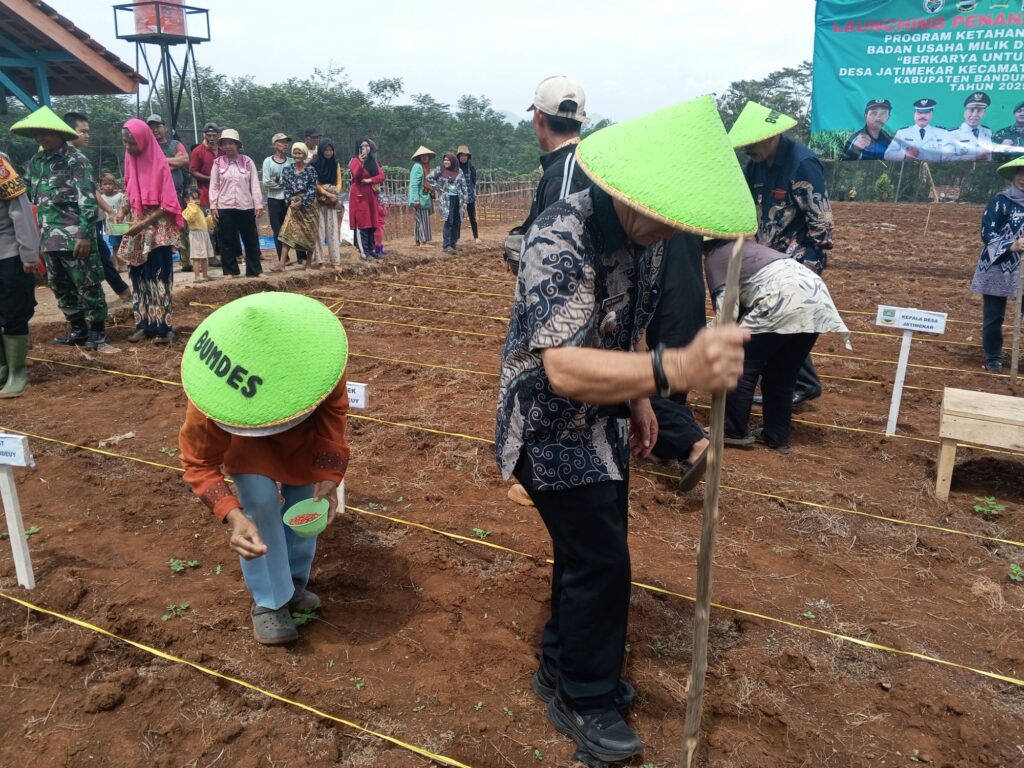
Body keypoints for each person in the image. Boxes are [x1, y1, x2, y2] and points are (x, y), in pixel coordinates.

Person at [496, 95, 753, 763]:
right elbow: (562, 371)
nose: (669, 230)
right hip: (547, 426)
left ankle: (560, 661)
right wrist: (671, 370)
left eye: (679, 222)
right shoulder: (559, 234)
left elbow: (625, 324)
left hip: (603, 421)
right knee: (602, 560)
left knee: (590, 552)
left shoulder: (646, 242)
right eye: (663, 216)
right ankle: (583, 696)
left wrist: (640, 397)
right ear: (627, 191)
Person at [179, 292, 351, 645]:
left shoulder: (319, 363)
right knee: (260, 505)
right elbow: (198, 462)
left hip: (303, 441)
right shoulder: (213, 402)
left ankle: (294, 583)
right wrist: (232, 515)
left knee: (306, 503)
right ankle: (270, 601)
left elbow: (333, 415)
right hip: (247, 445)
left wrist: (328, 475)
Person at [505, 75, 594, 506]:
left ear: (539, 118)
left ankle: (545, 474)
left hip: (565, 303)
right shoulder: (584, 164)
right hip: (585, 301)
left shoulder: (566, 172)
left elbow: (557, 244)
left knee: (551, 377)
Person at [729, 100, 834, 406]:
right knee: (777, 325)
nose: (749, 150)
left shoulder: (801, 164)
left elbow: (822, 221)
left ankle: (801, 385)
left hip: (798, 261)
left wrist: (811, 268)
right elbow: (748, 207)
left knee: (783, 322)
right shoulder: (756, 165)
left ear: (771, 137)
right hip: (768, 257)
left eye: (753, 144)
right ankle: (800, 383)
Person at [707, 239, 848, 454]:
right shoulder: (753, 247)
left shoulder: (715, 258)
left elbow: (728, 313)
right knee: (783, 374)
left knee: (741, 365)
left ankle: (733, 431)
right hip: (816, 297)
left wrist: (700, 335)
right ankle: (777, 436)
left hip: (781, 300)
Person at [14, 106, 108, 349]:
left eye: (45, 132)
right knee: (59, 285)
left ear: (58, 133)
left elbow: (86, 199)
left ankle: (97, 331)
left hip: (74, 235)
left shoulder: (76, 160)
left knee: (87, 284)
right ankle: (77, 329)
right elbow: (25, 193)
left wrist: (85, 234)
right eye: (37, 133)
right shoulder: (36, 162)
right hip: (47, 237)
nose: (40, 137)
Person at [504, 75, 592, 275]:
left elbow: (560, 263)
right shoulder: (586, 162)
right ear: (582, 116)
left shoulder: (563, 175)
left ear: (538, 116)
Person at [643, 233, 710, 491]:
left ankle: (694, 444)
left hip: (665, 307)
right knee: (674, 381)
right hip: (690, 303)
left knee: (647, 382)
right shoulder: (686, 215)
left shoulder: (655, 220)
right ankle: (661, 447)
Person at [119, 118, 184, 344]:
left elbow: (169, 205)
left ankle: (163, 328)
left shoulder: (160, 164)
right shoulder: (130, 161)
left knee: (158, 277)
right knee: (138, 277)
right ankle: (143, 324)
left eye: (132, 143)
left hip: (157, 230)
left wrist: (144, 223)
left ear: (144, 140)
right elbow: (129, 190)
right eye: (125, 143)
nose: (128, 148)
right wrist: (122, 211)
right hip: (137, 229)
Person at [63, 111, 133, 305]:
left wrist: (110, 212)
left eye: (88, 131)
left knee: (101, 254)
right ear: (69, 131)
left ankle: (122, 291)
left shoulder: (77, 158)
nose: (87, 135)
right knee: (97, 256)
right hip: (72, 221)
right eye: (83, 131)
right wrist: (109, 211)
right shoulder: (63, 157)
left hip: (86, 221)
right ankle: (120, 291)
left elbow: (92, 191)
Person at [971, 155, 1024, 373]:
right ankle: (993, 357)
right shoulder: (1000, 201)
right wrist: (1011, 245)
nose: (1023, 179)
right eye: (1020, 174)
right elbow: (987, 232)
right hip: (997, 265)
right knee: (994, 316)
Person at [0, 150, 40, 399]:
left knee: (14, 311)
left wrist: (28, 253)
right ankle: (2, 368)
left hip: (7, 253)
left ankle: (17, 372)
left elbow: (20, 211)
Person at [210, 128, 264, 278]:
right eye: (225, 144)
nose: (228, 147)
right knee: (226, 239)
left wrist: (258, 203)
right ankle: (230, 271)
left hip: (245, 205)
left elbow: (254, 184)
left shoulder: (247, 162)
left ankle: (255, 270)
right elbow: (214, 185)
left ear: (237, 145)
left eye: (231, 143)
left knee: (250, 238)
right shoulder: (217, 163)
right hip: (225, 205)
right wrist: (214, 205)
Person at [147, 114, 192, 270]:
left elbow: (185, 160)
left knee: (182, 226)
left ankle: (186, 262)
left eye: (158, 126)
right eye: (151, 127)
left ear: (164, 127)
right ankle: (163, 264)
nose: (155, 130)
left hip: (177, 193)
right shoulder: (147, 147)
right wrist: (174, 161)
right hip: (157, 196)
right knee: (161, 229)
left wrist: (161, 163)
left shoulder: (175, 144)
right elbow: (151, 167)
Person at [275, 142, 319, 271]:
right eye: (295, 153)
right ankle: (282, 264)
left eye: (300, 153)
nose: (297, 155)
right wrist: (290, 202)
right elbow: (286, 187)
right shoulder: (287, 169)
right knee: (287, 232)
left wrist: (302, 202)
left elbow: (312, 189)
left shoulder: (311, 170)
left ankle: (309, 264)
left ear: (305, 155)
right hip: (293, 205)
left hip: (308, 206)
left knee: (310, 234)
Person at [348, 138, 386, 259]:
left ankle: (371, 249)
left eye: (367, 146)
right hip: (359, 196)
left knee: (372, 223)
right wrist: (361, 163)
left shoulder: (373, 162)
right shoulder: (354, 161)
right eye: (363, 146)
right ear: (358, 148)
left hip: (371, 196)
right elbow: (357, 176)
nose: (366, 148)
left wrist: (370, 180)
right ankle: (364, 252)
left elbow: (381, 176)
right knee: (363, 223)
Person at [884, 98, 950, 163]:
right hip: (907, 171)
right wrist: (905, 155)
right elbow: (887, 154)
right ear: (914, 115)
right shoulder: (902, 132)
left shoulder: (942, 133)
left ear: (932, 114)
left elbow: (949, 156)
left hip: (933, 171)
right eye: (919, 113)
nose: (923, 116)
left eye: (926, 113)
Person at [312, 137, 343, 269]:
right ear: (321, 150)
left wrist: (335, 192)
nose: (328, 152)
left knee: (332, 231)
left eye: (331, 150)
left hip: (331, 201)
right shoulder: (314, 165)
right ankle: (320, 261)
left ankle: (335, 261)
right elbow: (315, 183)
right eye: (326, 150)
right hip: (319, 200)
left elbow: (339, 181)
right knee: (319, 231)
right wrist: (326, 192)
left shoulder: (335, 164)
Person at [428, 153, 467, 254]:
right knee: (449, 221)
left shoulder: (459, 171)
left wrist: (465, 201)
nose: (446, 162)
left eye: (448, 160)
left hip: (458, 199)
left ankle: (454, 243)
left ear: (453, 161)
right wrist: (439, 188)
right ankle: (446, 245)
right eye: (445, 160)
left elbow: (464, 186)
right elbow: (429, 178)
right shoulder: (440, 170)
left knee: (457, 221)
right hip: (446, 199)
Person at [262, 132, 292, 264]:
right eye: (281, 142)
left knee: (291, 227)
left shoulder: (291, 161)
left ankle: (300, 256)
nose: (284, 144)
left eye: (286, 142)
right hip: (274, 199)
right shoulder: (268, 161)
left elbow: (293, 181)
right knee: (277, 228)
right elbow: (266, 182)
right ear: (274, 144)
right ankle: (283, 257)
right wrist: (283, 182)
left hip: (288, 199)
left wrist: (277, 179)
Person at [948, 92, 994, 161]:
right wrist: (975, 157)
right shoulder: (951, 134)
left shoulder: (988, 132)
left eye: (979, 111)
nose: (975, 114)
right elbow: (946, 159)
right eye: (971, 110)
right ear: (964, 112)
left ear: (984, 114)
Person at [182, 192, 213, 283]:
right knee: (196, 257)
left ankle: (205, 275)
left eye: (197, 199)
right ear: (187, 200)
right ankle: (197, 276)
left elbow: (206, 224)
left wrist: (209, 219)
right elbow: (191, 217)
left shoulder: (200, 210)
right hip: (196, 235)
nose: (196, 201)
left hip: (204, 234)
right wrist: (192, 205)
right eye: (193, 199)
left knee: (204, 257)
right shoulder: (187, 211)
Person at [189, 122, 221, 209]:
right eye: (209, 135)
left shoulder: (223, 150)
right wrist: (209, 178)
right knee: (209, 221)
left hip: (224, 195)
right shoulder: (197, 151)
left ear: (218, 136)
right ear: (204, 135)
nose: (211, 138)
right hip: (205, 194)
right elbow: (193, 171)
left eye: (214, 135)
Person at [408, 146, 435, 246]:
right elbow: (414, 184)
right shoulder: (418, 167)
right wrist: (416, 199)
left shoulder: (426, 167)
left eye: (426, 156)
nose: (425, 157)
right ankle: (424, 241)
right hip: (420, 197)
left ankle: (418, 240)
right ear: (419, 157)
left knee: (419, 219)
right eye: (422, 156)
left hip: (423, 196)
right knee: (423, 219)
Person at [97, 173, 126, 266]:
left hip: (122, 225)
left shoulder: (120, 196)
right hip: (111, 227)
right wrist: (104, 227)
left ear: (114, 184)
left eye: (110, 184)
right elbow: (102, 214)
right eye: (105, 184)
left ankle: (126, 264)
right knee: (115, 246)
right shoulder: (101, 198)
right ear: (101, 186)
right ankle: (117, 265)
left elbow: (126, 208)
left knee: (125, 244)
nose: (108, 186)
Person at [457, 145, 479, 239]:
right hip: (458, 196)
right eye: (461, 155)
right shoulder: (455, 168)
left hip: (470, 196)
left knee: (472, 217)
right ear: (458, 157)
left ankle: (476, 237)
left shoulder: (471, 168)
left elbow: (473, 182)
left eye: (465, 155)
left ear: (468, 157)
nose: (463, 157)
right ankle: (456, 238)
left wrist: (470, 192)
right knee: (458, 218)